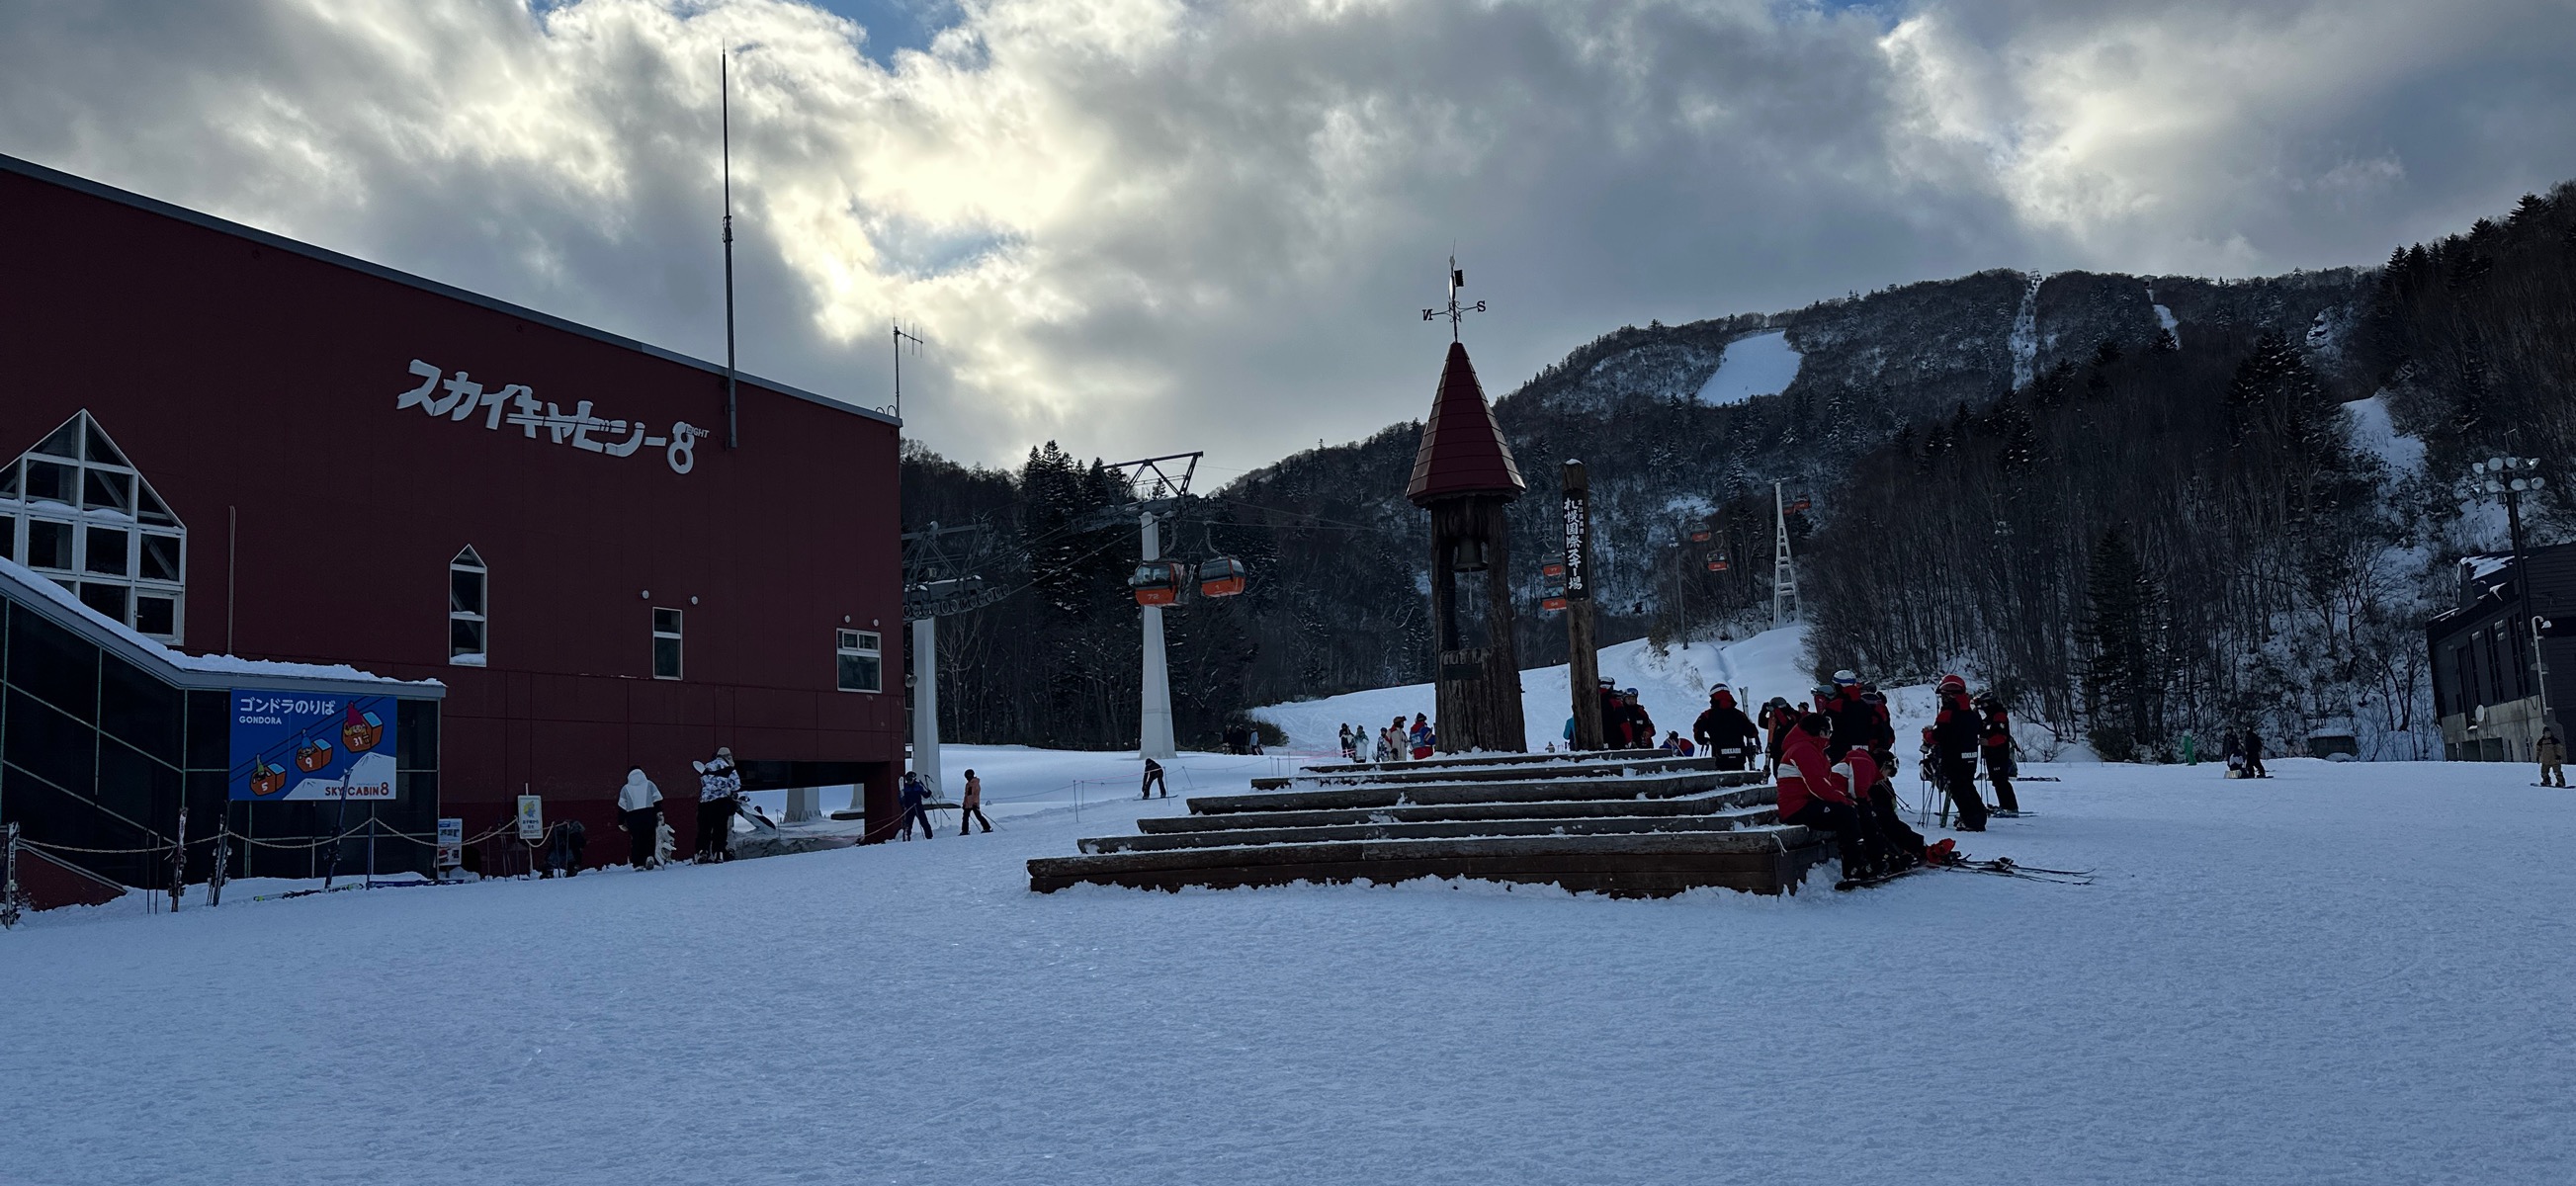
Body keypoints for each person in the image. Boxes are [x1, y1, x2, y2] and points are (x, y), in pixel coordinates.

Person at [1775, 712, 1875, 879]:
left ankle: (1872, 858)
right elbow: (1817, 785)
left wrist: (1843, 799)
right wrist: (1842, 800)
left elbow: (1823, 784)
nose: (1829, 737)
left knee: (1856, 810)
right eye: (1828, 732)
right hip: (1797, 808)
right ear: (1819, 731)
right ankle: (1853, 867)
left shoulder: (1812, 749)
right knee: (1846, 813)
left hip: (1808, 803)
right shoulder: (1802, 749)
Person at [1930, 674, 1989, 831]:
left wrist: (1927, 735)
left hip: (1953, 756)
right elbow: (1979, 728)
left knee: (1958, 788)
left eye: (1943, 695)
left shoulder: (1947, 713)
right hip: (1970, 755)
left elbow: (1937, 736)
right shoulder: (1972, 710)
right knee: (1967, 786)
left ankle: (1972, 821)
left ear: (1949, 695)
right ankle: (1979, 816)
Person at [694, 745, 743, 864]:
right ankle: (718, 853)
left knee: (704, 828)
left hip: (705, 803)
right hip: (721, 802)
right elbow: (737, 785)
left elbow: (703, 783)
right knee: (720, 828)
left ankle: (702, 851)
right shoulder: (729, 769)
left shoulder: (706, 768)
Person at [1693, 687, 1760, 771]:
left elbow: (1697, 729)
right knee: (1739, 779)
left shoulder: (1708, 715)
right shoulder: (1739, 715)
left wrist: (1704, 740)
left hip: (1719, 757)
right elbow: (1752, 733)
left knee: (1721, 780)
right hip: (1739, 757)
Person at [1976, 696, 2020, 814]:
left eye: (1984, 705)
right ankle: (2005, 805)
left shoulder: (1999, 716)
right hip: (1991, 754)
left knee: (2001, 781)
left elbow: (2002, 736)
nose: (1983, 708)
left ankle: (2010, 807)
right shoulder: (1989, 717)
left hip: (1999, 754)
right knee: (1997, 780)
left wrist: (1988, 742)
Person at [616, 766, 664, 869]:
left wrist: (621, 822)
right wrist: (659, 813)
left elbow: (622, 806)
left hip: (633, 817)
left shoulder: (625, 788)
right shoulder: (649, 784)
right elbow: (657, 799)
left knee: (636, 840)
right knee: (649, 837)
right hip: (649, 814)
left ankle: (638, 863)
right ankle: (649, 856)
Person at [898, 770, 937, 839]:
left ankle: (929, 837)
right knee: (908, 825)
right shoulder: (904, 788)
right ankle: (906, 838)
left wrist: (928, 793)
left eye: (910, 779)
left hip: (918, 807)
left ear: (914, 779)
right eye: (907, 780)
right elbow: (900, 797)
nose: (908, 781)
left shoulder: (918, 786)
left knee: (924, 823)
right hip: (909, 808)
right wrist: (902, 802)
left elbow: (924, 795)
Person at [958, 768, 993, 834]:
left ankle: (987, 828)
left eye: (968, 775)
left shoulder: (975, 783)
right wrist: (964, 803)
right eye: (966, 775)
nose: (967, 777)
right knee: (965, 818)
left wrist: (975, 803)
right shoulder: (968, 784)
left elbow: (976, 794)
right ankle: (964, 831)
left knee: (978, 816)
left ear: (972, 775)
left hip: (974, 804)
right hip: (967, 804)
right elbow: (966, 795)